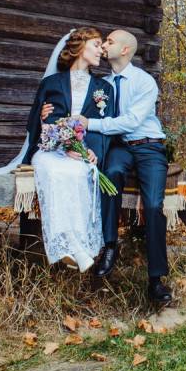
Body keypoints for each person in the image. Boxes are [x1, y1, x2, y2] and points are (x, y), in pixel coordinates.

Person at [41, 29, 172, 303]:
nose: (104, 46)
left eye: (109, 42)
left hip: (148, 145)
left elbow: (131, 122)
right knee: (111, 174)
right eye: (101, 43)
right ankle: (110, 246)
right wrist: (49, 114)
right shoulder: (103, 85)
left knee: (153, 204)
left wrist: (90, 123)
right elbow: (76, 109)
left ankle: (156, 280)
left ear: (124, 50)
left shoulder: (145, 82)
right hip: (119, 148)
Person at [21, 27, 116, 272]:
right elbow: (34, 124)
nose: (101, 51)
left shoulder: (104, 89)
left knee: (77, 173)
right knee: (54, 172)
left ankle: (76, 246)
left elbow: (103, 128)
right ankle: (70, 247)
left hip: (81, 153)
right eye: (96, 45)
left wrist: (90, 152)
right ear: (80, 47)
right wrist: (43, 120)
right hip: (50, 151)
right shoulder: (51, 83)